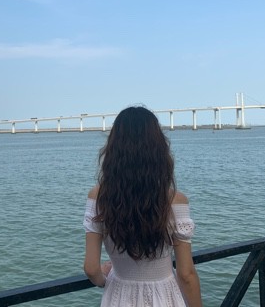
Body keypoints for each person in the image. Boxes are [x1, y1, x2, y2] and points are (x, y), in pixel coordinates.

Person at [83, 106, 202, 307]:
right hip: (164, 297)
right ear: (159, 150)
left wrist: (105, 280)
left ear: (113, 149)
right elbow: (186, 274)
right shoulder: (175, 200)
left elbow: (91, 268)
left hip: (118, 297)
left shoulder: (98, 196)